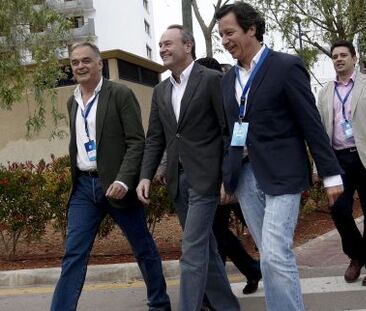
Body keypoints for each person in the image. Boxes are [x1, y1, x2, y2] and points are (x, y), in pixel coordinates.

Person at [215, 2, 344, 310]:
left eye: (230, 32)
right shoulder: (226, 81)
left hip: (284, 171)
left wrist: (331, 174)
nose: (225, 40)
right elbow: (232, 133)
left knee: (274, 255)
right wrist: (227, 176)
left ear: (251, 29)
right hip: (246, 177)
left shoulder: (286, 66)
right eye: (220, 34)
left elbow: (310, 123)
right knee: (270, 255)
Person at [50, 42, 171, 311]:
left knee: (143, 248)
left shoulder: (120, 94)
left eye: (86, 61)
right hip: (84, 187)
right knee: (74, 254)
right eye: (75, 63)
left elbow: (136, 141)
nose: (80, 66)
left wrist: (123, 179)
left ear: (99, 63)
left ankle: (160, 304)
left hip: (118, 186)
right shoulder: (73, 100)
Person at [136, 26, 240, 311]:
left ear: (188, 46)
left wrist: (228, 177)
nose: (162, 49)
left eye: (168, 43)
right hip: (177, 182)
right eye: (159, 45)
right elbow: (155, 138)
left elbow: (228, 131)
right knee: (205, 248)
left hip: (206, 180)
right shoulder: (160, 90)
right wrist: (146, 175)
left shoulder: (213, 80)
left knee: (192, 251)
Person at [316, 40, 366, 286]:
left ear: (354, 58)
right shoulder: (324, 92)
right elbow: (319, 133)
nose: (338, 59)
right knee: (338, 210)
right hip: (338, 160)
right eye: (334, 56)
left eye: (343, 55)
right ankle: (357, 256)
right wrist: (320, 168)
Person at [196, 56, 262, 295]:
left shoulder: (229, 100)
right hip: (215, 180)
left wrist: (229, 177)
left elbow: (235, 140)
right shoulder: (201, 103)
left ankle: (266, 271)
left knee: (262, 233)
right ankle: (242, 275)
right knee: (218, 233)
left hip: (237, 176)